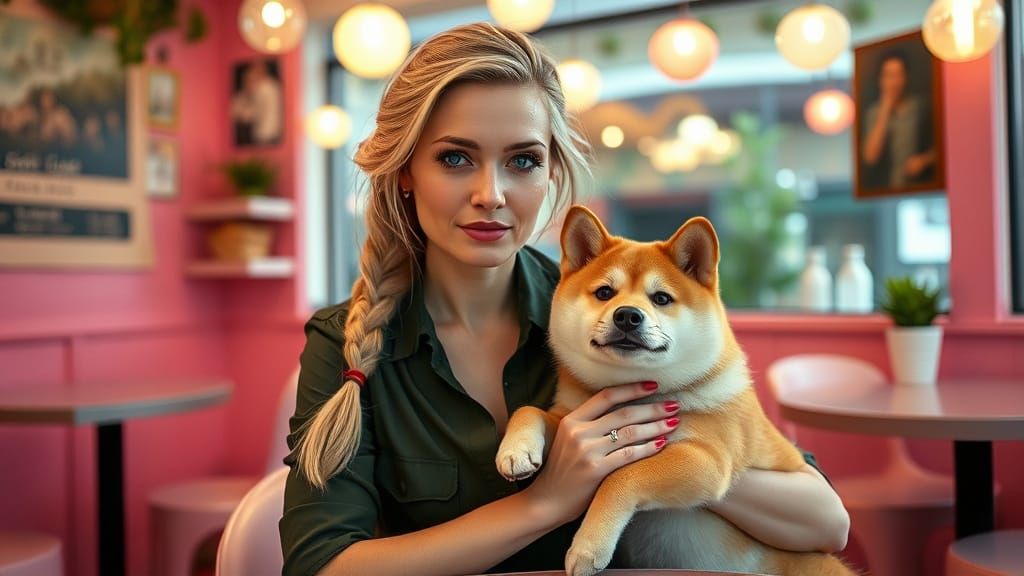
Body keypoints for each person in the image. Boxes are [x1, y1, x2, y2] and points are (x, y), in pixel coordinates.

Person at [281, 22, 850, 576]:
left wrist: (663, 456)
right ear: (405, 169)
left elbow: (826, 524)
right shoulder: (348, 342)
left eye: (522, 161)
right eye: (455, 158)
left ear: (551, 171)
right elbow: (320, 564)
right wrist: (543, 503)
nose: (492, 194)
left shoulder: (610, 315)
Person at [861, 50, 937, 190]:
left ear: (905, 78)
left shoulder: (920, 108)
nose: (893, 82)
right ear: (881, 79)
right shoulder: (873, 113)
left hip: (919, 185)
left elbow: (942, 148)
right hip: (886, 187)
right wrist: (885, 109)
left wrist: (923, 160)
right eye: (888, 75)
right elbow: (870, 157)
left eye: (897, 75)